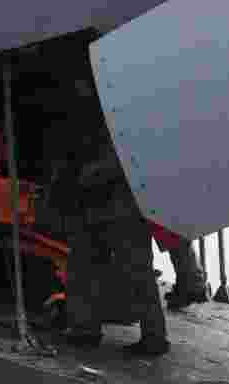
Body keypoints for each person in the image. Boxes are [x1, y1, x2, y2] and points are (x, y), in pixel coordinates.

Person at [60, 78, 169, 356]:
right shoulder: (98, 117)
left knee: (132, 271)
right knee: (86, 269)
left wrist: (90, 174)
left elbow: (123, 160)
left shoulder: (118, 119)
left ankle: (152, 337)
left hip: (120, 208)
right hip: (101, 207)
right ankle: (86, 329)